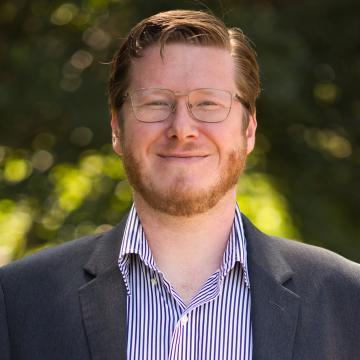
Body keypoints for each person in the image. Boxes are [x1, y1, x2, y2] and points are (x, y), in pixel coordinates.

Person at [1, 9, 359, 360]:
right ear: (116, 128)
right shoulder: (18, 301)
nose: (182, 128)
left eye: (208, 103)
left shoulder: (346, 300)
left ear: (248, 130)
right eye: (156, 103)